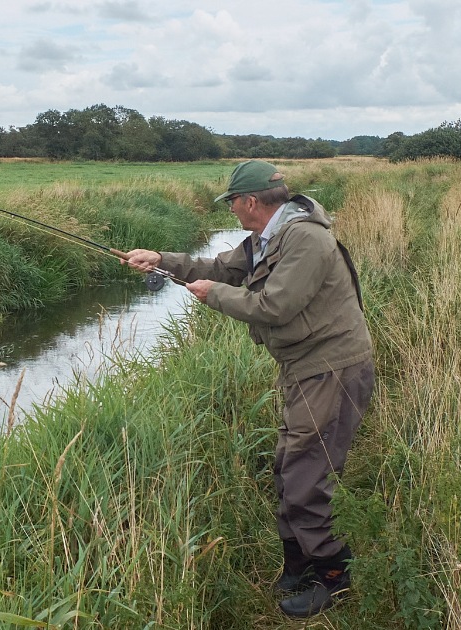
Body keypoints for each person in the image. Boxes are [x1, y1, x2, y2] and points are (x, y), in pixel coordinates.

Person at [122, 160, 375, 618]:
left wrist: (212, 295)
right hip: (305, 367)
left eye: (233, 202)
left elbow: (274, 305)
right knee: (287, 467)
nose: (233, 211)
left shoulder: (305, 239)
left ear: (251, 201)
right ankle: (297, 563)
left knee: (304, 477)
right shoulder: (269, 235)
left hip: (331, 370)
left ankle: (333, 575)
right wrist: (160, 260)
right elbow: (220, 267)